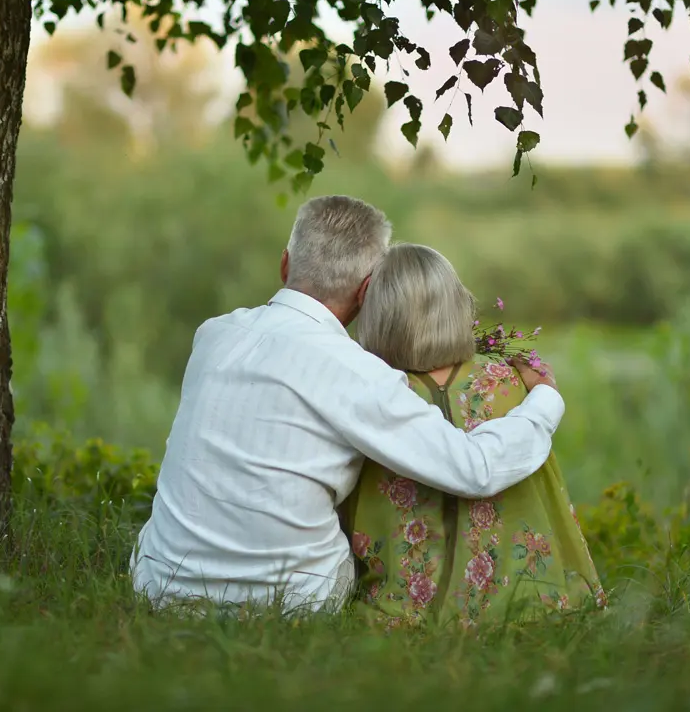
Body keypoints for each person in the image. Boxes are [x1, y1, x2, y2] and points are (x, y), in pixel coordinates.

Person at [129, 195, 565, 614]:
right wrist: (544, 397)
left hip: (160, 584)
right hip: (290, 603)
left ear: (285, 264)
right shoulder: (358, 373)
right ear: (367, 291)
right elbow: (474, 469)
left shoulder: (213, 334)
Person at [341, 243, 605, 627]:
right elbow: (547, 493)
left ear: (379, 315)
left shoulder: (376, 395)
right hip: (518, 606)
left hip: (399, 612)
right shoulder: (508, 385)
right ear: (457, 305)